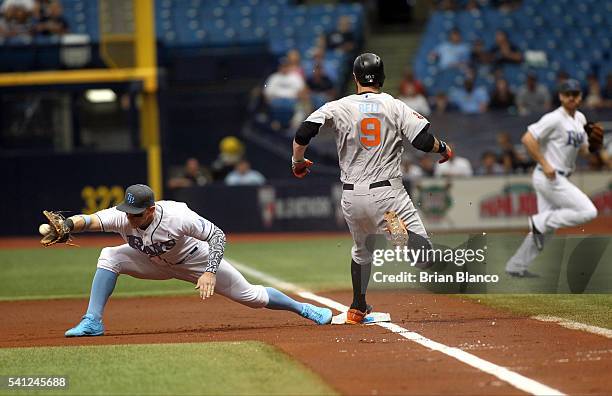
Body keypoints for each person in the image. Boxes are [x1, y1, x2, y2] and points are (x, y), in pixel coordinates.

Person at [290, 53, 453, 324]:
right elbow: (423, 141)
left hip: (352, 197)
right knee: (423, 256)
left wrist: (297, 162)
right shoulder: (393, 105)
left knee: (362, 250)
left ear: (355, 78)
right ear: (382, 78)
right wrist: (443, 147)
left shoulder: (338, 105)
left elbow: (304, 132)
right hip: (386, 195)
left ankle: (357, 306)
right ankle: (397, 233)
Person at [49, 184, 332, 336]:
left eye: (136, 213)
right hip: (153, 263)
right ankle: (92, 321)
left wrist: (209, 272)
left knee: (252, 297)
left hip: (194, 260)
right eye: (127, 211)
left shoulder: (177, 216)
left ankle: (303, 309)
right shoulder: (122, 215)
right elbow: (90, 220)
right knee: (109, 255)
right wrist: (68, 225)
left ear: (151, 209)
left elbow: (217, 236)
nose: (130, 217)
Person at [505, 80, 599, 277]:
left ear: (580, 96)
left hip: (557, 176)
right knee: (588, 211)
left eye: (575, 93)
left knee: (545, 233)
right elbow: (527, 139)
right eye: (568, 94)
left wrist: (593, 148)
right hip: (550, 176)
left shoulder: (580, 118)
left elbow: (582, 150)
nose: (571, 97)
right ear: (561, 97)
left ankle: (516, 266)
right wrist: (545, 163)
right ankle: (541, 220)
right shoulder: (554, 118)